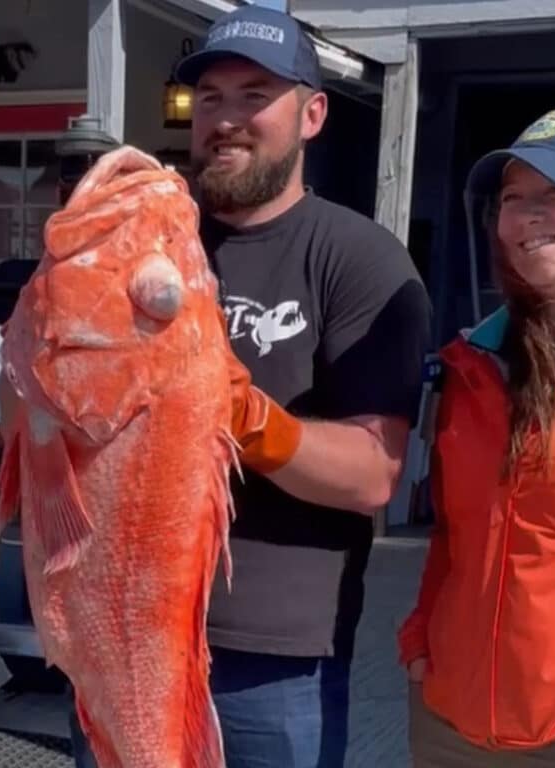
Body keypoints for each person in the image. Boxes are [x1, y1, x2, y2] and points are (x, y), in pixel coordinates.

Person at [168, 5, 432, 767]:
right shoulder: (151, 240)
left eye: (255, 96)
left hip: (273, 659)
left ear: (312, 115)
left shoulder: (361, 259)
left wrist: (243, 414)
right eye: (210, 98)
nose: (226, 120)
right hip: (129, 621)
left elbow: (372, 474)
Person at [398, 108, 555, 767]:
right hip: (450, 720)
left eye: (554, 193)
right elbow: (452, 534)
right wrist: (421, 638)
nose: (527, 215)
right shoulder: (472, 365)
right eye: (512, 198)